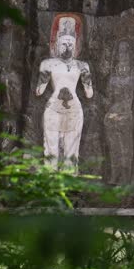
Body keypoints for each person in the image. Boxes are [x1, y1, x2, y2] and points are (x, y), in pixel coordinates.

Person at [36, 18, 93, 170]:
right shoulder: (48, 64)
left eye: (71, 44)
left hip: (74, 110)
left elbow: (89, 94)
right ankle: (50, 178)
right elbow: (39, 91)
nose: (67, 47)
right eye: (63, 43)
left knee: (71, 147)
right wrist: (44, 75)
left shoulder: (82, 66)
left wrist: (86, 78)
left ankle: (69, 181)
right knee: (51, 145)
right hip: (53, 108)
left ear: (76, 46)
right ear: (56, 44)